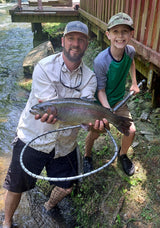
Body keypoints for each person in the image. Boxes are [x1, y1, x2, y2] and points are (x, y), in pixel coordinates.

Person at [3, 21, 106, 228]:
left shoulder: (90, 78)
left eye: (81, 40)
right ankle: (7, 222)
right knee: (15, 186)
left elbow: (84, 113)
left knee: (66, 186)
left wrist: (95, 125)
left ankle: (48, 206)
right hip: (33, 137)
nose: (75, 44)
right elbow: (51, 108)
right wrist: (81, 117)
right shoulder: (43, 67)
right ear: (63, 41)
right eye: (71, 39)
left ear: (86, 44)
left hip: (65, 144)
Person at [84, 12, 140, 176]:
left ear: (131, 34)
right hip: (101, 104)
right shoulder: (101, 61)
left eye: (124, 31)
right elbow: (100, 91)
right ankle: (87, 155)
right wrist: (108, 111)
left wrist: (134, 82)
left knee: (131, 131)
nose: (120, 36)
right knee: (96, 133)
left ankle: (122, 154)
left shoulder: (130, 51)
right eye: (115, 31)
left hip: (119, 101)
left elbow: (132, 62)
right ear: (108, 35)